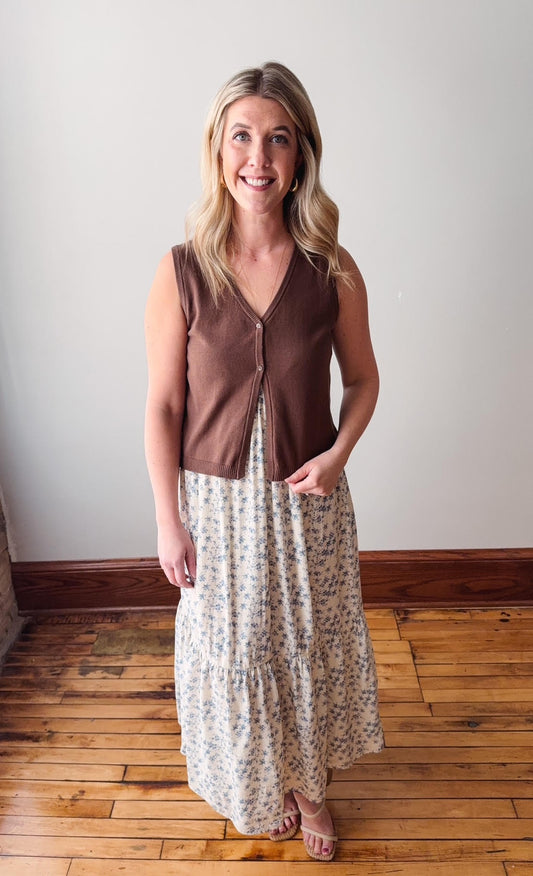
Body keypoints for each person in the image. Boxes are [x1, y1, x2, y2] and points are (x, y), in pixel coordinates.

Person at [144, 61, 384, 863]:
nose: (259, 156)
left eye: (278, 138)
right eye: (241, 136)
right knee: (237, 648)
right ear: (217, 150)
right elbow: (163, 406)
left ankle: (310, 783)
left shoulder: (330, 268)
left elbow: (361, 381)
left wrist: (339, 454)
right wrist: (166, 521)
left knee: (305, 640)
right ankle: (258, 774)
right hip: (212, 502)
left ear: (301, 155)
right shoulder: (182, 270)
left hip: (303, 497)